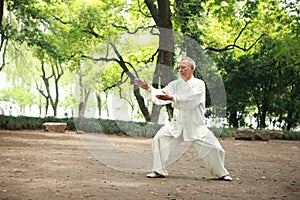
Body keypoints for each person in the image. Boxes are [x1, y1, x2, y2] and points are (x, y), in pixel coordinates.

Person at [134, 56, 232, 181]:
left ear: (192, 68)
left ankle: (222, 173)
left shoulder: (199, 84)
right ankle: (158, 170)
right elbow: (161, 94)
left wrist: (172, 98)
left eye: (183, 67)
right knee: (159, 139)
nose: (180, 70)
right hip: (176, 124)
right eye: (179, 67)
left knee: (216, 149)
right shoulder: (175, 84)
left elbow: (192, 99)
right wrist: (148, 88)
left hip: (195, 125)